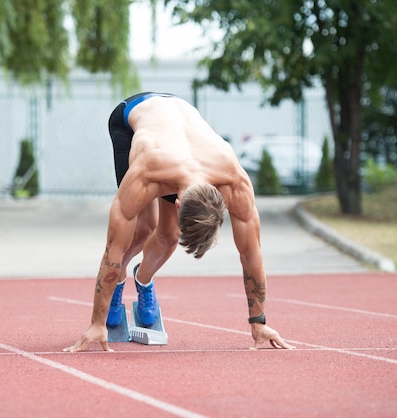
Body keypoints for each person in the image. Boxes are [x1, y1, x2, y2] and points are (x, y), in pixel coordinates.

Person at [63, 92, 295, 352]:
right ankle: (120, 281)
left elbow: (251, 252)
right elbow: (112, 248)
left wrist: (259, 321)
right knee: (143, 229)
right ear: (177, 203)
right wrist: (97, 322)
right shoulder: (148, 172)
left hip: (182, 127)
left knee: (169, 236)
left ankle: (144, 280)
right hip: (132, 118)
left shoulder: (233, 180)